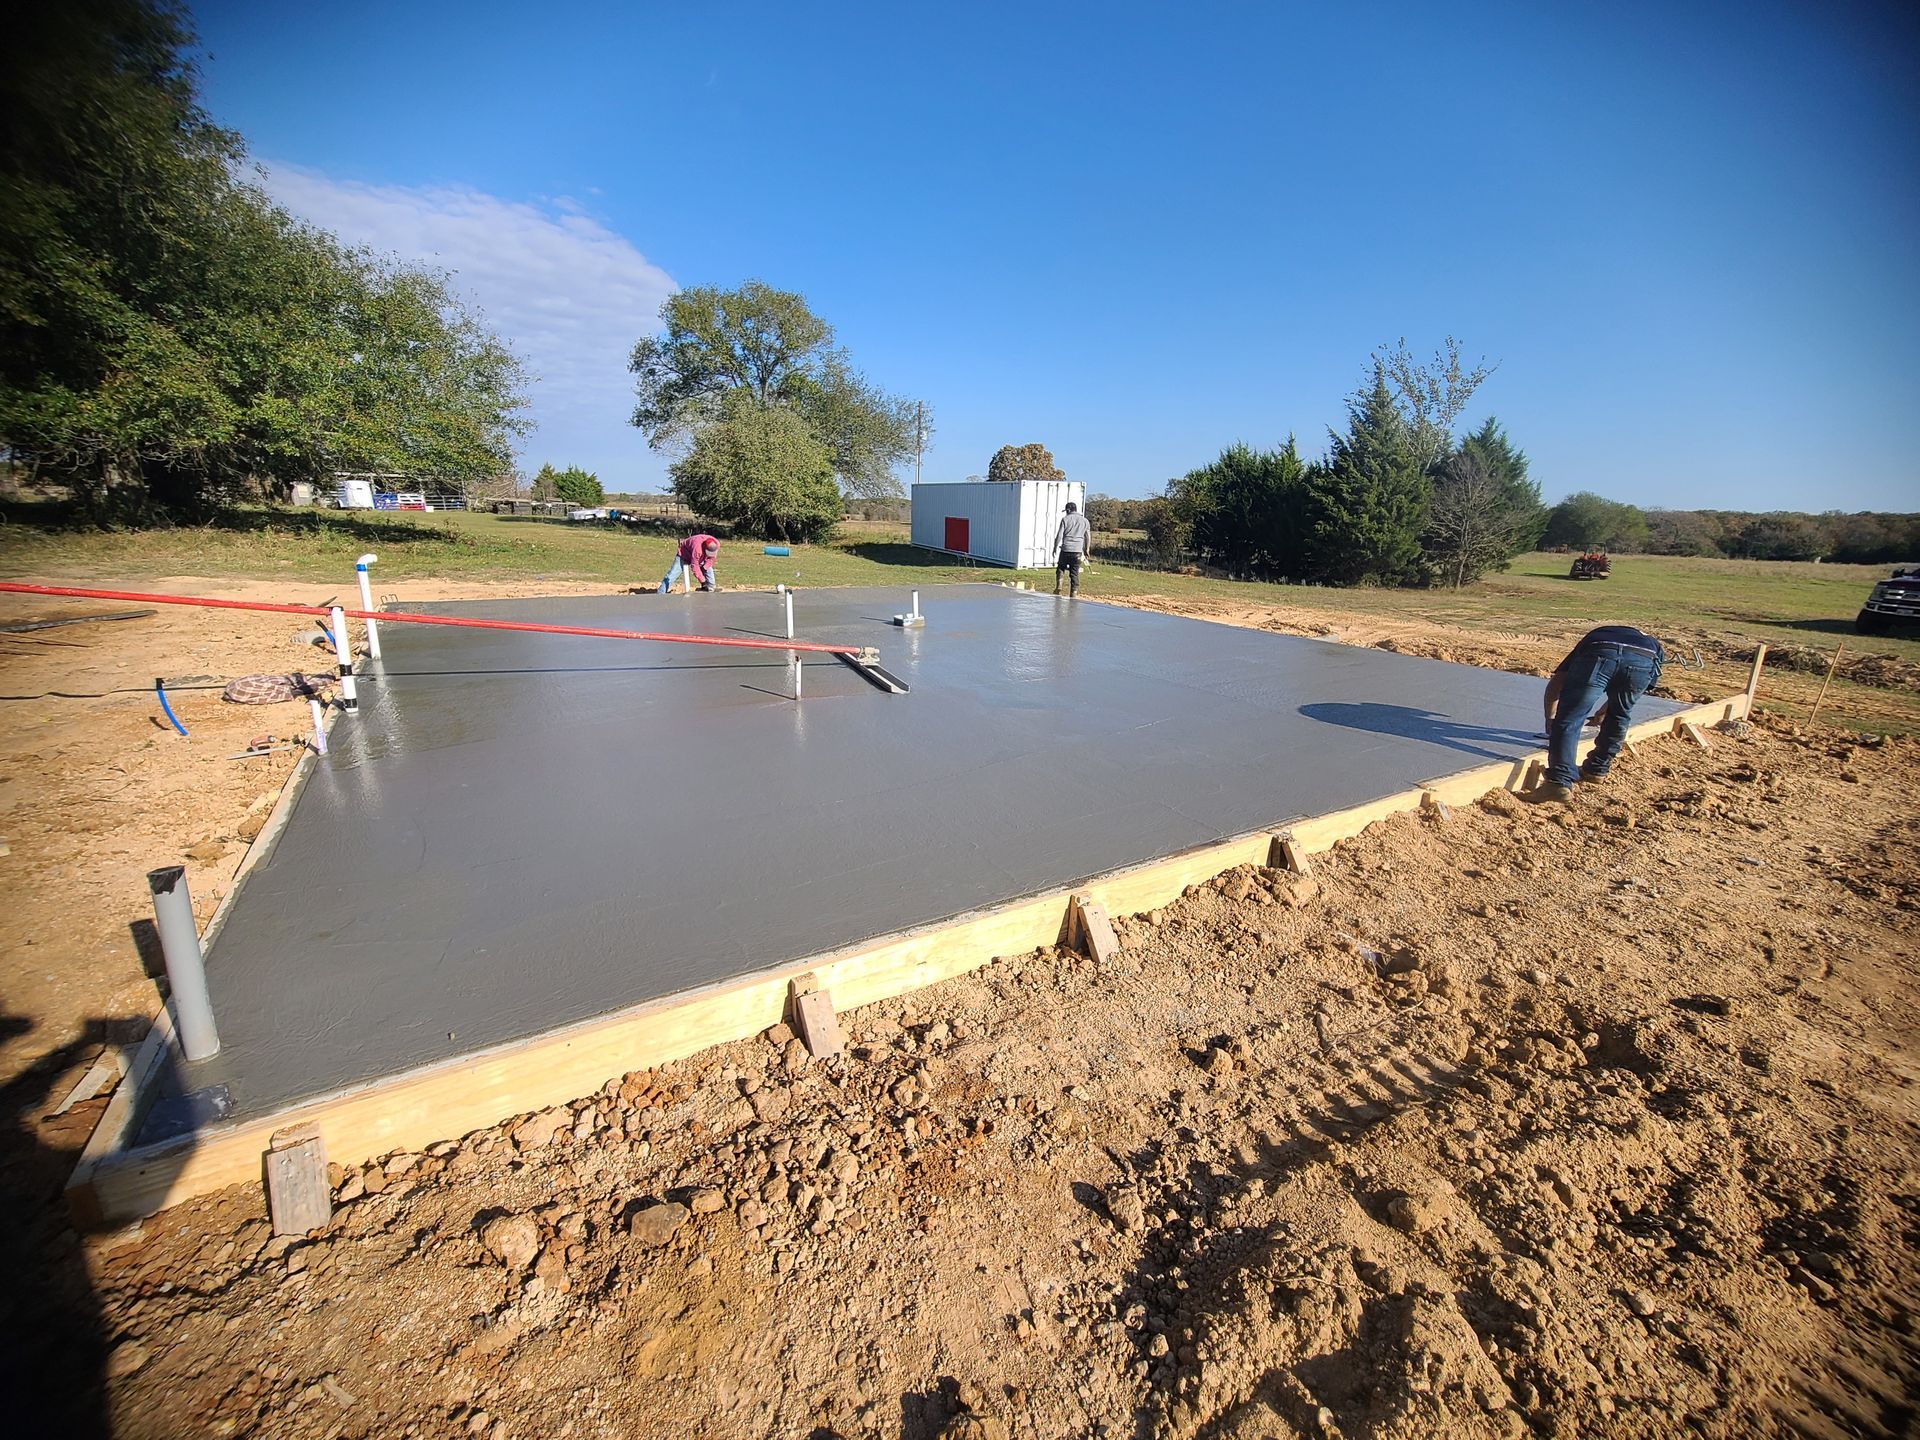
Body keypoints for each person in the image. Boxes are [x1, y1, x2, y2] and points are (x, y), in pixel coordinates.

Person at [1530, 625, 1665, 803]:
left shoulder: (1596, 637)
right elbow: (1630, 695)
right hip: (1643, 661)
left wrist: (1552, 718)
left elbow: (1558, 682)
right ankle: (1597, 769)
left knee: (1571, 717)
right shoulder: (1654, 646)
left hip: (1601, 654)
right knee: (1620, 715)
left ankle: (1558, 783)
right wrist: (1605, 711)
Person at [1053, 501, 1090, 597]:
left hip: (1066, 549)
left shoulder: (1065, 519)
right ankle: (1073, 593)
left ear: (1068, 510)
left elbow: (1059, 535)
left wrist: (1055, 547)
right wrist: (1087, 549)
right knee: (1074, 573)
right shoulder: (1085, 521)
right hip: (1077, 551)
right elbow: (1088, 537)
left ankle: (1059, 585)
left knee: (1061, 568)